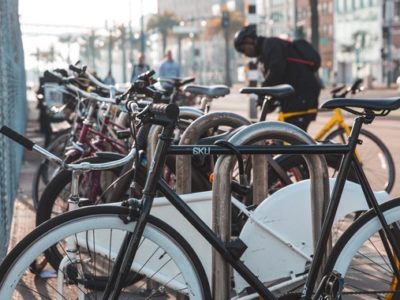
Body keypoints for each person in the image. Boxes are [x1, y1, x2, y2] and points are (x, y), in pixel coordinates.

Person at [233, 25, 321, 131]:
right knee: (288, 135)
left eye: (243, 49)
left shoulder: (271, 45)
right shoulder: (265, 51)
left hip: (303, 94)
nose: (245, 53)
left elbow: (276, 73)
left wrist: (262, 93)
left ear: (249, 41)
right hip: (294, 96)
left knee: (294, 137)